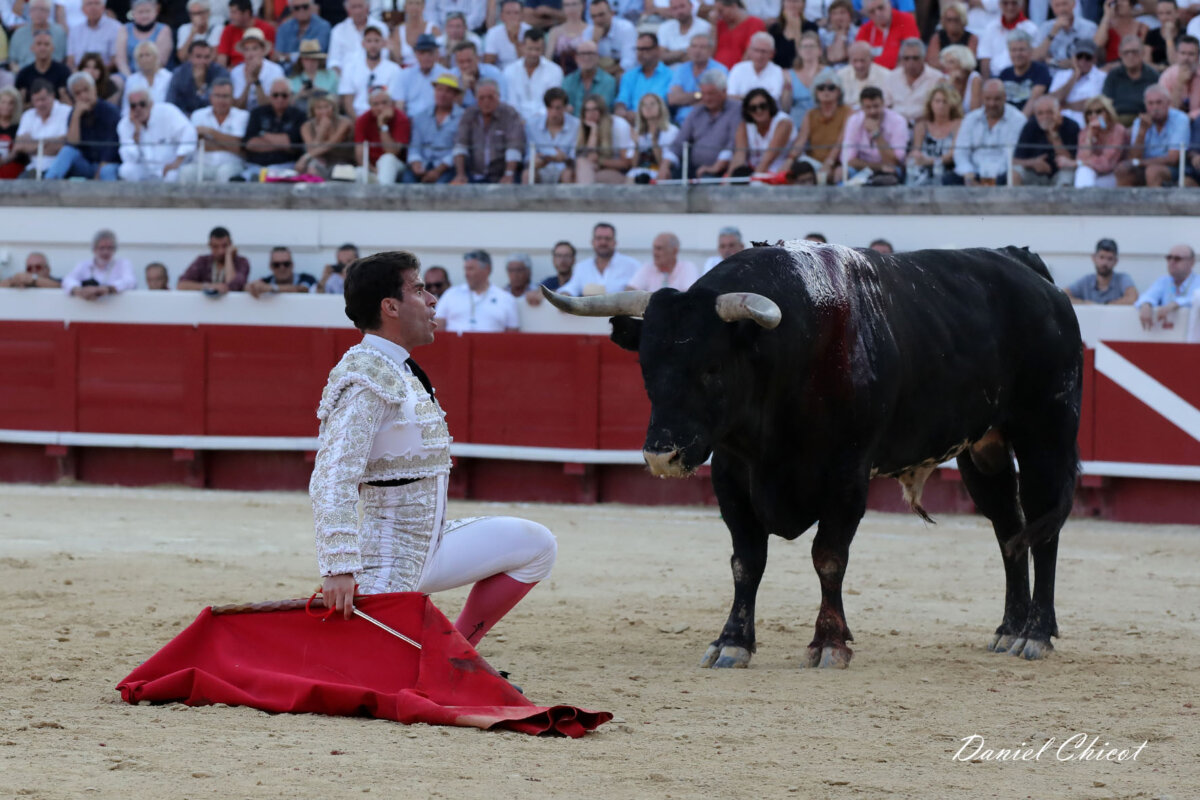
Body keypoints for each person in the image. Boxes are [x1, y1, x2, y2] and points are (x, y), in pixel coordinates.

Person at [312, 250, 556, 653]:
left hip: (432, 546)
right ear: (391, 307)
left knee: (537, 546)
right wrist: (338, 568)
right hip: (386, 566)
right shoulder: (365, 378)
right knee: (376, 665)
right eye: (419, 289)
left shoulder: (401, 369)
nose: (432, 300)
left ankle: (459, 655)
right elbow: (332, 478)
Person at [660, 68, 739, 179]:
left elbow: (734, 143)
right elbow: (679, 142)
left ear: (724, 91)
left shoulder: (736, 110)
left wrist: (716, 167)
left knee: (707, 180)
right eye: (703, 94)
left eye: (711, 94)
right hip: (693, 168)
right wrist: (665, 165)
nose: (707, 98)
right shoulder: (697, 111)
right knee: (669, 177)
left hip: (722, 170)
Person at [947, 77, 1025, 184]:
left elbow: (1011, 154)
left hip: (1002, 173)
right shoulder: (970, 119)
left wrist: (989, 180)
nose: (992, 104)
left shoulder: (1018, 120)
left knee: (1012, 177)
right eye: (988, 99)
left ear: (1005, 97)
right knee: (948, 179)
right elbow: (960, 152)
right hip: (974, 172)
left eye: (997, 99)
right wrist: (968, 173)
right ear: (982, 98)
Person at [43, 70, 118, 179]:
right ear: (73, 97)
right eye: (77, 93)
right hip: (86, 164)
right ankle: (48, 185)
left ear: (94, 89)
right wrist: (76, 115)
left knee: (106, 170)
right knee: (67, 151)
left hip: (108, 165)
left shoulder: (110, 111)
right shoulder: (74, 113)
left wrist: (97, 178)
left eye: (86, 90)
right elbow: (72, 143)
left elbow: (111, 150)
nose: (83, 95)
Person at [451, 78, 524, 183]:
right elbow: (460, 144)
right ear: (476, 98)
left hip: (501, 175)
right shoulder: (469, 114)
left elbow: (514, 145)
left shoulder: (509, 114)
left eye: (490, 97)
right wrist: (460, 175)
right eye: (481, 98)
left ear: (498, 97)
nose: (486, 102)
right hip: (474, 175)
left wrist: (509, 174)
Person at [1115, 84, 1188, 186]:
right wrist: (1142, 132)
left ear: (1168, 103)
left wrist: (1140, 162)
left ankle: (1156, 198)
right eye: (1150, 103)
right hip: (1144, 165)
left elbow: (1173, 159)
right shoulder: (1139, 123)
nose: (1155, 107)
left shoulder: (1180, 119)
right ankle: (1124, 197)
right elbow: (1133, 157)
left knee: (1152, 171)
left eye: (1159, 102)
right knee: (1122, 169)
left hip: (1174, 168)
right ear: (1145, 105)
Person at [786, 67, 849, 182]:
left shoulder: (847, 112)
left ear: (839, 91)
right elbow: (801, 140)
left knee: (829, 175)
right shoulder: (810, 114)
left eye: (831, 88)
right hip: (813, 162)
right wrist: (790, 159)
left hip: (838, 163)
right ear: (815, 92)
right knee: (795, 171)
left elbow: (841, 142)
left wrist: (828, 163)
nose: (826, 91)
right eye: (821, 88)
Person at [434, 249, 520, 332]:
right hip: (455, 342)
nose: (466, 274)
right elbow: (438, 330)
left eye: (471, 269)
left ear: (487, 269)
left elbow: (512, 336)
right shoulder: (450, 295)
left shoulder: (506, 299)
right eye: (466, 269)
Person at [181, 76, 248, 181]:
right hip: (202, 164)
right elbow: (196, 144)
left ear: (232, 98)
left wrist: (210, 132)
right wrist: (227, 143)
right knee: (186, 172)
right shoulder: (198, 115)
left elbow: (238, 147)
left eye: (225, 96)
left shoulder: (242, 116)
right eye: (217, 96)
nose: (221, 100)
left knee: (224, 172)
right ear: (210, 97)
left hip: (231, 165)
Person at [404, 72, 462, 183]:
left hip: (447, 167)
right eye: (439, 89)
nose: (442, 94)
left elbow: (459, 149)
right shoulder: (421, 117)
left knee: (441, 186)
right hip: (423, 164)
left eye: (448, 91)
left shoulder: (462, 118)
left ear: (455, 95)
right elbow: (414, 145)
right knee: (407, 181)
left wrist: (438, 171)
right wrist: (416, 164)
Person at [556, 221, 640, 295]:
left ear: (615, 242)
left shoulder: (632, 265)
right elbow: (571, 288)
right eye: (599, 238)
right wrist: (564, 295)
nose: (603, 242)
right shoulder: (582, 267)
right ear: (592, 242)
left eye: (607, 239)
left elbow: (643, 292)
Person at [242, 77, 305, 175]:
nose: (280, 99)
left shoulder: (299, 116)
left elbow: (291, 145)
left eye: (284, 95)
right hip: (255, 166)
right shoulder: (257, 113)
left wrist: (263, 134)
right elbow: (250, 144)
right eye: (275, 95)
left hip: (286, 167)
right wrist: (280, 144)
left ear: (290, 96)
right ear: (270, 96)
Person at [1011, 94, 1078, 185]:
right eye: (1040, 113)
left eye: (1050, 112)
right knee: (1015, 173)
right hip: (1035, 174)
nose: (1045, 117)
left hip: (1060, 174)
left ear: (1059, 111)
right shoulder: (1031, 126)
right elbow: (1015, 160)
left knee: (1068, 172)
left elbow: (1071, 160)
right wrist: (1033, 163)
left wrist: (1054, 135)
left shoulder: (1071, 126)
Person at [336, 23, 400, 117]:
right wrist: (358, 122)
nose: (373, 45)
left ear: (383, 43)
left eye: (376, 41)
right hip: (359, 116)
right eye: (369, 41)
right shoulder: (350, 68)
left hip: (385, 117)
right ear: (363, 44)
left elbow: (394, 100)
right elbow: (348, 100)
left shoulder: (394, 69)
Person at [726, 86, 794, 174]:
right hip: (753, 169)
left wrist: (752, 179)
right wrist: (730, 178)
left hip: (779, 170)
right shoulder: (744, 125)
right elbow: (739, 156)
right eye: (753, 108)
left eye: (763, 106)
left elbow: (768, 159)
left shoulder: (783, 123)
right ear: (747, 111)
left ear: (770, 105)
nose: (759, 111)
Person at [905, 82, 962, 185]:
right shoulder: (922, 125)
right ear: (930, 103)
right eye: (937, 101)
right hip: (923, 169)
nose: (941, 105)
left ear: (952, 104)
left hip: (948, 170)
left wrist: (930, 161)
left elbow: (952, 155)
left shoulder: (958, 124)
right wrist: (915, 158)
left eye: (945, 102)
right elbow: (916, 150)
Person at [13, 78, 71, 176]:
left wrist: (32, 144)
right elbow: (18, 146)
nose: (40, 104)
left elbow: (64, 145)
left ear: (52, 96)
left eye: (43, 99)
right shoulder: (28, 115)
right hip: (33, 168)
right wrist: (50, 143)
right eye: (36, 100)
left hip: (61, 169)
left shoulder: (67, 112)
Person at [665, 33, 726, 124]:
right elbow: (673, 99)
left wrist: (685, 99)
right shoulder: (681, 69)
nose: (697, 51)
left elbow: (717, 99)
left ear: (710, 50)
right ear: (688, 49)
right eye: (694, 46)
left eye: (702, 47)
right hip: (680, 122)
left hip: (708, 122)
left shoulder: (719, 69)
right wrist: (700, 95)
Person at [503, 28, 563, 120]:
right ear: (522, 47)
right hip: (516, 121)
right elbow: (511, 102)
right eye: (530, 49)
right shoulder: (509, 71)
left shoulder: (555, 70)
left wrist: (536, 122)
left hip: (545, 120)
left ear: (543, 49)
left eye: (537, 49)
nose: (534, 53)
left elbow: (552, 101)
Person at [574, 90, 633, 182]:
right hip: (592, 171)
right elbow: (588, 158)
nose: (591, 114)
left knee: (591, 175)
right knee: (581, 164)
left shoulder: (619, 125)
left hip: (618, 173)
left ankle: (585, 191)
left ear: (602, 111)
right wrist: (594, 132)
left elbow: (626, 163)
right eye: (587, 110)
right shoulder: (583, 127)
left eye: (594, 109)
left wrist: (600, 161)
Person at [613, 31, 670, 124]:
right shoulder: (629, 76)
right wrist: (621, 110)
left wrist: (639, 115)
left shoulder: (670, 76)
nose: (641, 53)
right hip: (630, 123)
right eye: (638, 49)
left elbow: (663, 104)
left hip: (658, 123)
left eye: (645, 49)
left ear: (657, 50)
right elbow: (622, 99)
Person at [354, 83, 408, 182]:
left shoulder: (401, 118)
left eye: (384, 103)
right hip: (373, 169)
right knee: (357, 173)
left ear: (391, 103)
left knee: (387, 159)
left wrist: (382, 125)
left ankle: (382, 192)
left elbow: (392, 152)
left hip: (396, 165)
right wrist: (373, 170)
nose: (381, 107)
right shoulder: (362, 120)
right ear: (370, 106)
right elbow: (360, 155)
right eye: (376, 104)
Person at [61, 228, 136, 298]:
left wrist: (108, 289)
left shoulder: (122, 264)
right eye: (102, 248)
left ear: (114, 249)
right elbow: (68, 279)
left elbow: (130, 281)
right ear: (94, 249)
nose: (106, 252)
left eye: (110, 248)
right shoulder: (84, 265)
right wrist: (79, 291)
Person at [1102, 33, 1159, 124]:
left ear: (1142, 53)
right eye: (1126, 52)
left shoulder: (1153, 76)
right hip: (1116, 122)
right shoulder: (1113, 75)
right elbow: (1105, 103)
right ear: (1120, 54)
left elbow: (1158, 104)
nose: (1130, 56)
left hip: (1145, 121)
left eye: (1134, 52)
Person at [1135, 244, 1195, 330]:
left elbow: (1196, 299)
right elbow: (1148, 295)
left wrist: (1175, 304)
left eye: (1177, 259)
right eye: (1169, 258)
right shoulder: (1164, 281)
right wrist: (1145, 304)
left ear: (1191, 262)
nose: (1171, 262)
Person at [884, 38, 944, 124]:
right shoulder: (891, 77)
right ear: (901, 59)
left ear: (924, 58)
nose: (911, 62)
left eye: (915, 58)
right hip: (896, 125)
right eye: (906, 58)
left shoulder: (937, 78)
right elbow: (885, 106)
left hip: (925, 125)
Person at [526, 84, 578, 183]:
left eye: (558, 108)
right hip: (540, 169)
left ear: (565, 107)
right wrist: (534, 161)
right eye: (550, 107)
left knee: (568, 174)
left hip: (564, 169)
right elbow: (528, 156)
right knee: (527, 174)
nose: (554, 112)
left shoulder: (576, 125)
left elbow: (576, 158)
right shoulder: (532, 125)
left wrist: (565, 159)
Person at [295, 87, 351, 176]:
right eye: (319, 108)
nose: (324, 111)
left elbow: (330, 145)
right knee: (312, 166)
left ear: (333, 107)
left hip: (342, 163)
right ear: (313, 110)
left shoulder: (344, 123)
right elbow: (311, 150)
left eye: (327, 106)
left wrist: (304, 157)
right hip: (320, 163)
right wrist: (321, 132)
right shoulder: (306, 126)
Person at [1047, 38, 1104, 127]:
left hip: (1088, 124)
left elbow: (1095, 104)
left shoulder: (1102, 77)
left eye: (1088, 57)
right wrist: (1074, 77)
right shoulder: (1061, 75)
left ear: (1094, 59)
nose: (1083, 61)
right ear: (1073, 58)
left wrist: (1066, 105)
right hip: (1060, 123)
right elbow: (1052, 101)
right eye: (1079, 56)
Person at [393, 33, 451, 119]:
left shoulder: (446, 75)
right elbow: (399, 104)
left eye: (430, 53)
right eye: (422, 53)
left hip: (436, 120)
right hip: (411, 120)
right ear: (416, 54)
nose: (426, 57)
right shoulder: (404, 75)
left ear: (437, 54)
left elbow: (450, 105)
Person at [1074, 94, 1126, 187]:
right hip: (1093, 174)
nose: (1093, 115)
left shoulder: (1118, 130)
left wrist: (1078, 162)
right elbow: (1081, 159)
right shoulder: (1086, 131)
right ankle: (1083, 196)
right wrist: (1089, 137)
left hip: (1113, 175)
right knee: (1083, 171)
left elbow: (1106, 164)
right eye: (1089, 113)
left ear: (1108, 113)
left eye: (1098, 111)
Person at [177, 225, 251, 292]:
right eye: (215, 246)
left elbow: (233, 285)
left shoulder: (241, 262)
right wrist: (210, 286)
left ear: (230, 244)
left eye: (225, 246)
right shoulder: (202, 261)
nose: (221, 251)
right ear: (210, 245)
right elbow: (181, 285)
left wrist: (228, 256)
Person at [1064, 238, 1137, 305]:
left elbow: (1133, 298)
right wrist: (1084, 303)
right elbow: (1063, 296)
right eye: (1101, 257)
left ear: (1115, 261)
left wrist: (1104, 306)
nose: (1105, 263)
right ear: (1094, 258)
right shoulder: (1086, 281)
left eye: (1110, 258)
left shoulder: (1122, 279)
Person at [977, 0, 1037, 80]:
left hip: (1021, 77)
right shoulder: (991, 27)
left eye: (1014, 3)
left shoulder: (1030, 28)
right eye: (1005, 3)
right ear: (999, 5)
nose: (1010, 7)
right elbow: (985, 58)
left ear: (1021, 5)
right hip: (995, 77)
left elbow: (1033, 57)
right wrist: (986, 82)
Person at [1032, 0, 1097, 74]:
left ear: (1074, 4)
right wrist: (1053, 32)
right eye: (1057, 5)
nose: (1062, 9)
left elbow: (1093, 58)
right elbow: (1035, 58)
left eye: (1065, 4)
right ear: (1052, 8)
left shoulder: (1089, 27)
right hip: (1052, 77)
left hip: (1082, 75)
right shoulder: (1045, 27)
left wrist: (1051, 61)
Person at [168, 40, 231, 115]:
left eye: (207, 57)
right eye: (198, 56)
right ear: (190, 57)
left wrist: (200, 84)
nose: (203, 61)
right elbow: (171, 101)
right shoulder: (179, 73)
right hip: (183, 116)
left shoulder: (220, 73)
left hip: (211, 117)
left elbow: (219, 103)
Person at [113, 0, 172, 80]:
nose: (144, 15)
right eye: (140, 12)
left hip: (155, 74)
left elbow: (161, 61)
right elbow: (120, 60)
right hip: (128, 75)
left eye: (148, 11)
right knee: (115, 80)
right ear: (133, 13)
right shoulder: (124, 29)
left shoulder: (164, 29)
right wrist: (131, 79)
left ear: (155, 12)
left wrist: (143, 79)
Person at [855, 0, 920, 70]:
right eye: (872, 11)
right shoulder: (864, 30)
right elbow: (858, 58)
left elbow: (913, 53)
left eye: (881, 8)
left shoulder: (906, 20)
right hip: (873, 74)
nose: (878, 14)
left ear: (889, 4)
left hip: (901, 71)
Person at [626, 91, 676, 181]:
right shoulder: (637, 132)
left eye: (652, 104)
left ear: (660, 107)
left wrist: (654, 141)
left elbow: (664, 164)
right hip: (639, 172)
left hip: (660, 173)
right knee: (630, 178)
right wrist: (636, 145)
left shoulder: (671, 131)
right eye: (644, 105)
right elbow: (633, 165)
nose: (648, 107)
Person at [999, 29, 1051, 116]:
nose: (1017, 54)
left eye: (1021, 50)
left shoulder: (1040, 71)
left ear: (1030, 51)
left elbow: (1034, 100)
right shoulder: (1005, 73)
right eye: (1013, 50)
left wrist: (1020, 122)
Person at [727, 31, 788, 105]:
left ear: (772, 53)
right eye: (756, 50)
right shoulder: (738, 69)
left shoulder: (777, 71)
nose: (759, 55)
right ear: (749, 50)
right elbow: (730, 96)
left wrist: (743, 97)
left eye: (763, 51)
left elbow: (774, 99)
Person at [232, 26, 285, 110]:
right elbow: (237, 108)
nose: (250, 54)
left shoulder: (276, 70)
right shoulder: (235, 72)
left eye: (255, 48)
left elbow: (272, 107)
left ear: (263, 50)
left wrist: (257, 82)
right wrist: (248, 84)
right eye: (246, 49)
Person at [626, 232, 699, 292]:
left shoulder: (687, 267)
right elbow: (629, 292)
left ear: (674, 251)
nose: (654, 253)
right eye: (654, 248)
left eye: (659, 248)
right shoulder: (648, 267)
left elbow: (689, 296)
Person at [9, 0, 67, 74]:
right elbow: (12, 61)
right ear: (29, 12)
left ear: (49, 12)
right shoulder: (19, 34)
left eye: (42, 9)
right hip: (25, 75)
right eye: (34, 9)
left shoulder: (59, 33)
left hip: (52, 75)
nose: (38, 13)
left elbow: (62, 59)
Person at [217, 0, 276, 69]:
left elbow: (272, 56)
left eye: (234, 12)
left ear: (246, 13)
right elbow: (222, 59)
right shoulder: (228, 30)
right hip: (234, 70)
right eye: (231, 12)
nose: (230, 17)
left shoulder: (267, 29)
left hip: (261, 69)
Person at [15, 30, 70, 103]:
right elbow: (20, 104)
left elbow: (68, 102)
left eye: (46, 44)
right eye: (39, 44)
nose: (42, 48)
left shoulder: (64, 72)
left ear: (53, 48)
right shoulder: (24, 74)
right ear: (32, 48)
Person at [582, 0, 636, 75]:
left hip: (619, 74)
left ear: (612, 13)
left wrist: (604, 75)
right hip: (599, 75)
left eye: (601, 15)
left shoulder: (626, 28)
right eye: (594, 16)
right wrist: (594, 42)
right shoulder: (588, 32)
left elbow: (629, 63)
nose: (598, 20)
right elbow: (585, 64)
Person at [274, 0, 331, 71]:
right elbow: (277, 56)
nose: (301, 10)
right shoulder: (284, 28)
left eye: (305, 6)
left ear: (311, 7)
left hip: (314, 72)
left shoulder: (323, 26)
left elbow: (317, 53)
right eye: (297, 8)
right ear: (291, 10)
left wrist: (288, 57)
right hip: (287, 72)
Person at [326, 0, 380, 74]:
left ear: (367, 8)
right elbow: (333, 61)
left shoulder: (380, 28)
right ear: (348, 10)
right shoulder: (338, 30)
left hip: (375, 76)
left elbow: (384, 57)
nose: (357, 11)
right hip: (344, 77)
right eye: (354, 7)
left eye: (360, 6)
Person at [66, 0, 122, 71]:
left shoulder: (116, 28)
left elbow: (116, 59)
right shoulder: (75, 31)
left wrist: (96, 72)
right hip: (80, 73)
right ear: (82, 9)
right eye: (89, 4)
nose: (93, 7)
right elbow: (70, 60)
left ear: (103, 8)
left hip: (107, 73)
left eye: (97, 3)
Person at [121, 40, 171, 115]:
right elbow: (126, 108)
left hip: (165, 116)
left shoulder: (168, 77)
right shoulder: (131, 80)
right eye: (141, 56)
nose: (144, 59)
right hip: (139, 117)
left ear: (155, 57)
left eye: (147, 55)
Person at [451, 41, 507, 109]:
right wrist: (462, 90)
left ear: (477, 59)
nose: (466, 65)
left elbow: (502, 102)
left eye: (469, 61)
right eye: (461, 62)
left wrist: (475, 88)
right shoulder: (451, 76)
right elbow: (450, 109)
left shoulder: (493, 73)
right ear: (456, 62)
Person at [712, 0, 766, 70]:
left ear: (733, 6)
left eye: (721, 11)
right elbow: (711, 50)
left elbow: (750, 54)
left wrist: (738, 72)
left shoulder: (755, 23)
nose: (718, 15)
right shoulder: (719, 24)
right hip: (716, 72)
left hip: (738, 71)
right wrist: (713, 26)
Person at [388, 0, 439, 70]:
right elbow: (397, 59)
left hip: (428, 71)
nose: (414, 7)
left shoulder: (433, 29)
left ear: (423, 7)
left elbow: (438, 57)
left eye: (417, 3)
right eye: (410, 3)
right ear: (405, 7)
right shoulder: (398, 31)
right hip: (405, 72)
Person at [837, 41, 888, 111]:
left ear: (871, 59)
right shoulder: (840, 76)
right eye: (855, 61)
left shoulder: (886, 75)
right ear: (849, 60)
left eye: (862, 61)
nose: (859, 65)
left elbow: (887, 104)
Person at [247, 246, 317, 297]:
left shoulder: (307, 278)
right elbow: (249, 287)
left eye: (286, 264)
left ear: (292, 265)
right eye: (276, 265)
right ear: (270, 266)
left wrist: (272, 288)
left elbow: (302, 289)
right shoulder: (266, 281)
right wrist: (252, 287)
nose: (282, 268)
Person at [657, 0, 711, 65]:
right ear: (670, 11)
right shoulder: (665, 27)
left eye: (682, 6)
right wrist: (683, 53)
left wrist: (671, 54)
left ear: (691, 6)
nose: (679, 11)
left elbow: (701, 56)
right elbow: (661, 56)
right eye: (675, 8)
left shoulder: (705, 27)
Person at [1094, 0, 1146, 67]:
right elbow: (1097, 44)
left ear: (1132, 4)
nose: (1119, 3)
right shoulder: (1108, 26)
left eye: (1123, 0)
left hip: (1134, 68)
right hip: (1111, 69)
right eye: (1116, 1)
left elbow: (1143, 55)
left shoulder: (1141, 27)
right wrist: (1107, 15)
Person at [1159, 34, 1200, 120]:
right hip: (1173, 121)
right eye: (1183, 53)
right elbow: (1166, 109)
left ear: (1197, 57)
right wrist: (1179, 83)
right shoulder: (1168, 76)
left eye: (1191, 54)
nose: (1186, 58)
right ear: (1177, 55)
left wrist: (1190, 117)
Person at [926, 1, 975, 72]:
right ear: (944, 21)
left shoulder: (971, 38)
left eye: (956, 20)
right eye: (949, 20)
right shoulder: (937, 37)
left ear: (963, 20)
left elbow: (970, 63)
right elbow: (932, 62)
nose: (952, 23)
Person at [289, 38, 339, 107]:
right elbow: (287, 104)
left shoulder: (331, 76)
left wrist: (320, 92)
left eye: (314, 59)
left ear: (319, 60)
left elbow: (339, 101)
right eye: (307, 59)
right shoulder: (292, 80)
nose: (310, 63)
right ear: (301, 60)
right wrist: (299, 95)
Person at [786, 31, 822, 125]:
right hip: (796, 123)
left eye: (812, 46)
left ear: (820, 50)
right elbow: (785, 108)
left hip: (822, 123)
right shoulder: (789, 75)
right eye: (804, 46)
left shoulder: (829, 73)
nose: (808, 49)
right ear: (799, 51)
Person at [175, 0, 225, 66]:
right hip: (190, 67)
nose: (196, 17)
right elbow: (182, 57)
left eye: (200, 13)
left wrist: (200, 64)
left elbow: (214, 55)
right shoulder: (184, 29)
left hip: (209, 67)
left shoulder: (217, 28)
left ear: (208, 12)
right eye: (193, 14)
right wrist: (192, 34)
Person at [483, 0, 531, 69]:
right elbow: (488, 63)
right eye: (508, 13)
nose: (512, 17)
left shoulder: (529, 31)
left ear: (522, 15)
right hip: (501, 72)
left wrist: (515, 39)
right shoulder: (493, 33)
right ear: (501, 16)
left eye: (516, 13)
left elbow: (529, 62)